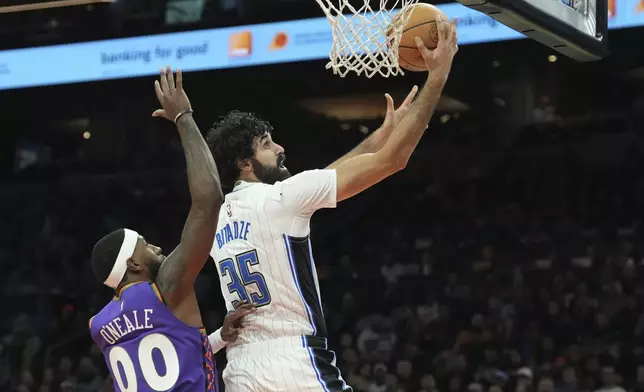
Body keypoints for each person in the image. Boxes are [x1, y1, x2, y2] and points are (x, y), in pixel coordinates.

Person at [205, 15, 459, 392]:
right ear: (245, 163)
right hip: (294, 365)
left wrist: (381, 135)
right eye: (267, 145)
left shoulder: (214, 220)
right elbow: (393, 162)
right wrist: (436, 78)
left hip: (241, 370)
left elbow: (328, 177)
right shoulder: (282, 198)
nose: (280, 148)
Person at [88, 67, 255, 392]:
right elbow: (208, 201)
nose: (159, 249)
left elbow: (163, 363)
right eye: (146, 246)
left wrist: (219, 337)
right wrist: (183, 116)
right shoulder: (164, 288)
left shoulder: (101, 325)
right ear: (133, 265)